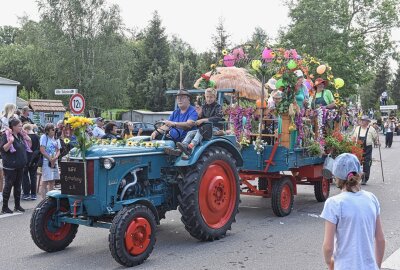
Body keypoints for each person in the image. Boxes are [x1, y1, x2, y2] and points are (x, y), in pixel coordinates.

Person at [321, 153, 385, 270]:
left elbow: (328, 247)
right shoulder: (372, 199)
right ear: (359, 174)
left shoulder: (334, 203)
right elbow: (380, 239)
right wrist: (377, 265)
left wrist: (329, 262)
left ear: (336, 177)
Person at [175, 88, 224, 157]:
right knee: (190, 132)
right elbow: (200, 119)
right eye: (207, 97)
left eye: (211, 97)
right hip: (205, 128)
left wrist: (203, 120)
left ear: (215, 97)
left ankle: (191, 146)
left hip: (215, 128)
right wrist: (199, 115)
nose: (209, 99)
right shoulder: (204, 107)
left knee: (200, 131)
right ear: (205, 96)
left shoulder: (218, 107)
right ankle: (183, 146)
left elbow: (218, 117)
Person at [0, 118, 31, 213]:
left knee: (18, 187)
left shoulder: (21, 136)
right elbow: (3, 149)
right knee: (8, 186)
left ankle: (17, 206)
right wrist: (10, 142)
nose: (21, 127)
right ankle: (4, 207)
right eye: (19, 126)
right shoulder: (7, 135)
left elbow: (27, 147)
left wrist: (28, 139)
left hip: (20, 165)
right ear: (13, 127)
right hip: (10, 166)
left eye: (21, 125)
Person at [351, 115, 379, 185]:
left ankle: (365, 179)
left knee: (366, 163)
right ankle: (356, 178)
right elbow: (354, 137)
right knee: (357, 163)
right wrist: (352, 144)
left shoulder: (371, 129)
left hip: (368, 148)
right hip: (358, 147)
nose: (362, 121)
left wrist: (377, 142)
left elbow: (375, 138)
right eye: (361, 120)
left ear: (367, 122)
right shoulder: (357, 128)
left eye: (363, 120)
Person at [39, 123, 61, 199]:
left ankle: (50, 198)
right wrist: (50, 159)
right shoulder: (44, 137)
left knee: (52, 180)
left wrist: (55, 158)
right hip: (46, 161)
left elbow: (58, 150)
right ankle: (44, 199)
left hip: (54, 161)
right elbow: (42, 150)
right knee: (45, 180)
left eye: (54, 129)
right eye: (52, 129)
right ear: (48, 131)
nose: (54, 131)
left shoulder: (56, 138)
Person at [21, 123, 40, 200]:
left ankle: (26, 194)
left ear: (26, 129)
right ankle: (33, 194)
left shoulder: (23, 137)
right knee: (33, 177)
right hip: (34, 159)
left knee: (24, 176)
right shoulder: (37, 137)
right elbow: (38, 149)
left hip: (25, 159)